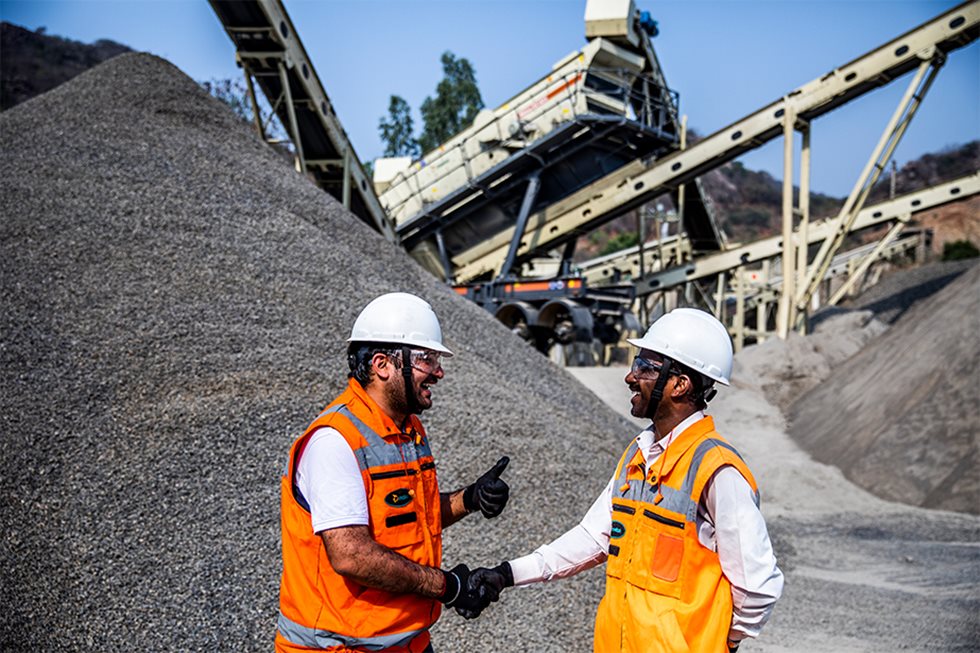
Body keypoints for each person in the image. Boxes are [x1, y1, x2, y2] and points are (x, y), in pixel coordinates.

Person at [470, 308, 784, 652]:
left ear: (680, 384)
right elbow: (593, 537)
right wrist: (507, 573)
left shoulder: (717, 470)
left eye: (646, 367)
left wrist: (718, 640)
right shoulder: (638, 455)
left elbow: (757, 588)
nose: (630, 377)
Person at [276, 292, 510, 653]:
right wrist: (449, 587)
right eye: (426, 359)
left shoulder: (408, 429)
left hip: (406, 642)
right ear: (383, 364)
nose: (439, 371)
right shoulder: (335, 441)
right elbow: (352, 555)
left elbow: (408, 520)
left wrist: (470, 498)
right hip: (340, 648)